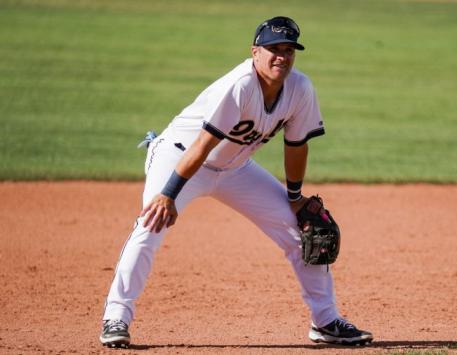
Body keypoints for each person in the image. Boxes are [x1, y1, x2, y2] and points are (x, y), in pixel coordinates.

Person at [99, 16, 373, 348]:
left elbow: (297, 146)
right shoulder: (240, 85)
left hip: (236, 168)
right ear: (255, 52)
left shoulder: (300, 89)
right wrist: (169, 194)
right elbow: (202, 146)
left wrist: (296, 198)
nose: (281, 57)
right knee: (151, 224)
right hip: (181, 157)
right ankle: (116, 317)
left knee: (300, 229)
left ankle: (326, 322)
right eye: (273, 49)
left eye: (288, 50)